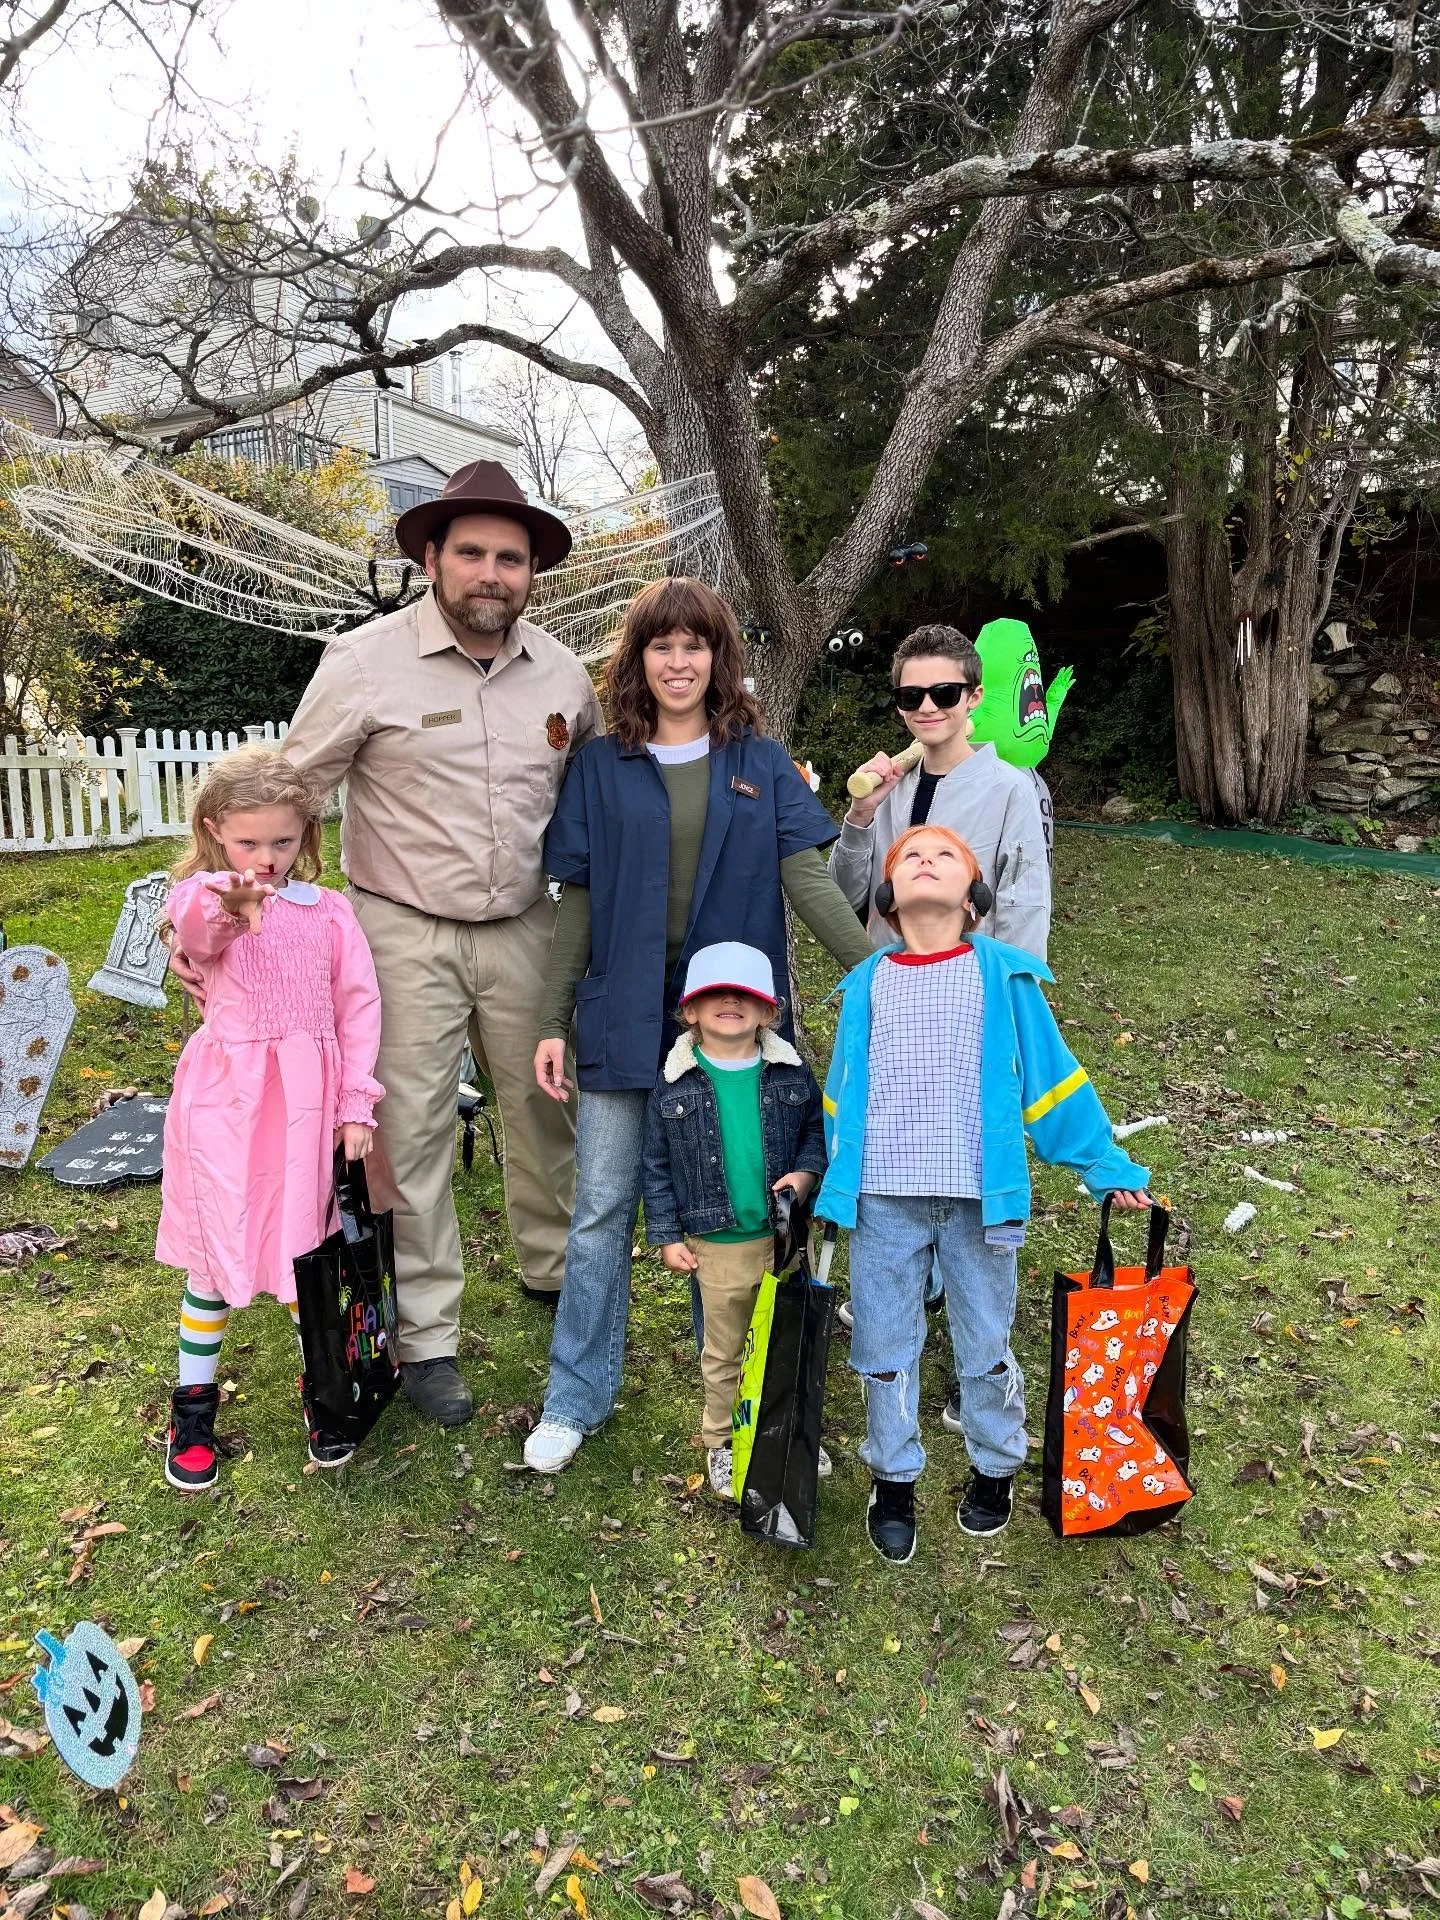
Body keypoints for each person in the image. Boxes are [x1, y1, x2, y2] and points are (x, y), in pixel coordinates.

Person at [168, 462, 603, 1430]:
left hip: (528, 924)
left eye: (512, 558)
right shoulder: (363, 662)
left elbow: (593, 797)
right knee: (405, 1135)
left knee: (543, 1111)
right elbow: (284, 793)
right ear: (432, 559)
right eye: (474, 554)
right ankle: (428, 1335)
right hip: (399, 930)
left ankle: (555, 1271)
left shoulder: (566, 675)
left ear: (533, 572)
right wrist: (218, 908)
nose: (492, 573)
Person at [522, 577, 874, 1474]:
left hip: (732, 1031)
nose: (679, 662)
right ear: (637, 658)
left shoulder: (758, 759)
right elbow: (580, 903)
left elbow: (807, 880)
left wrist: (887, 971)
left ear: (718, 658)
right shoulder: (601, 766)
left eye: (696, 645)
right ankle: (575, 1397)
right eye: (661, 645)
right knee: (602, 1208)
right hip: (623, 1018)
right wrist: (553, 1018)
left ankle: (751, 1405)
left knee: (731, 1217)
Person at [815, 823, 1151, 1564]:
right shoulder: (867, 983)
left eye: (945, 857)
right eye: (910, 857)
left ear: (973, 899)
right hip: (882, 1202)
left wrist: (1104, 1164)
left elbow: (1052, 1080)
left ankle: (995, 1464)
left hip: (978, 1204)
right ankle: (894, 1478)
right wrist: (826, 1179)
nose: (926, 860)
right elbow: (841, 1096)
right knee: (881, 1345)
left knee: (984, 1342)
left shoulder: (1004, 976)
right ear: (889, 897)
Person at [157, 748, 384, 1491]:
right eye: (248, 842)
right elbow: (196, 926)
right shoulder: (201, 900)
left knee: (304, 1255)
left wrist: (356, 1103)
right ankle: (193, 1408)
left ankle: (324, 1390)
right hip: (227, 1106)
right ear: (216, 829)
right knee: (214, 1259)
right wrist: (232, 894)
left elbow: (358, 1009)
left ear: (306, 834)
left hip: (308, 1105)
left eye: (282, 843)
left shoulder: (331, 913)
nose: (267, 858)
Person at [640, 941, 829, 1498]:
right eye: (714, 994)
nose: (730, 1001)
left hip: (785, 1237)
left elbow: (816, 1132)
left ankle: (789, 1433)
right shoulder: (675, 1082)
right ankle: (722, 1443)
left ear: (769, 1011)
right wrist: (667, 1234)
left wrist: (806, 1174)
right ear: (691, 1011)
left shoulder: (790, 1075)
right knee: (725, 1351)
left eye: (744, 994)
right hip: (717, 1243)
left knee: (785, 1341)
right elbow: (655, 1164)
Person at [829, 624, 1051, 960]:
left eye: (944, 693)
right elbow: (843, 899)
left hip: (971, 988)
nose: (928, 707)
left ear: (973, 697)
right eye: (911, 695)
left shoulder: (1010, 789)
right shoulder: (886, 788)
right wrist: (860, 815)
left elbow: (1024, 906)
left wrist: (1013, 992)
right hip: (888, 982)